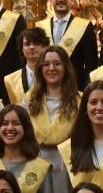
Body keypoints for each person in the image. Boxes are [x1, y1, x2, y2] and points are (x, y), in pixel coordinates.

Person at [27, 45, 82, 173]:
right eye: (46, 64)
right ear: (40, 69)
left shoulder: (80, 100)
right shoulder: (28, 100)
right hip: (36, 164)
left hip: (69, 165)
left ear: (65, 67)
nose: (51, 68)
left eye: (57, 64)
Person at [38, 0, 98, 86]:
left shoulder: (85, 26)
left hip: (75, 88)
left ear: (73, 0)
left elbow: (91, 66)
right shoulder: (40, 27)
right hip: (46, 88)